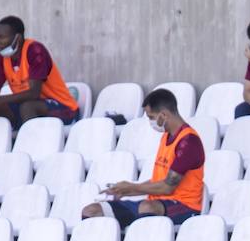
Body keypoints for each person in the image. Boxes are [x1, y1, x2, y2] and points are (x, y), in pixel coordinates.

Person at [80, 89, 204, 226]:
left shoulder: (188, 142)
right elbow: (159, 181)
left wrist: (132, 187)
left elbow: (168, 187)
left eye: (151, 117)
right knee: (91, 211)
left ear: (163, 115)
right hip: (154, 203)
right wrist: (126, 191)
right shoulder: (166, 137)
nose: (150, 122)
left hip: (184, 206)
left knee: (147, 207)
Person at [0, 16, 80, 126]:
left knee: (28, 107)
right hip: (27, 107)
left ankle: (32, 143)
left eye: (1, 37)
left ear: (18, 38)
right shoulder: (1, 56)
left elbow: (34, 93)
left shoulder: (35, 50)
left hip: (64, 109)